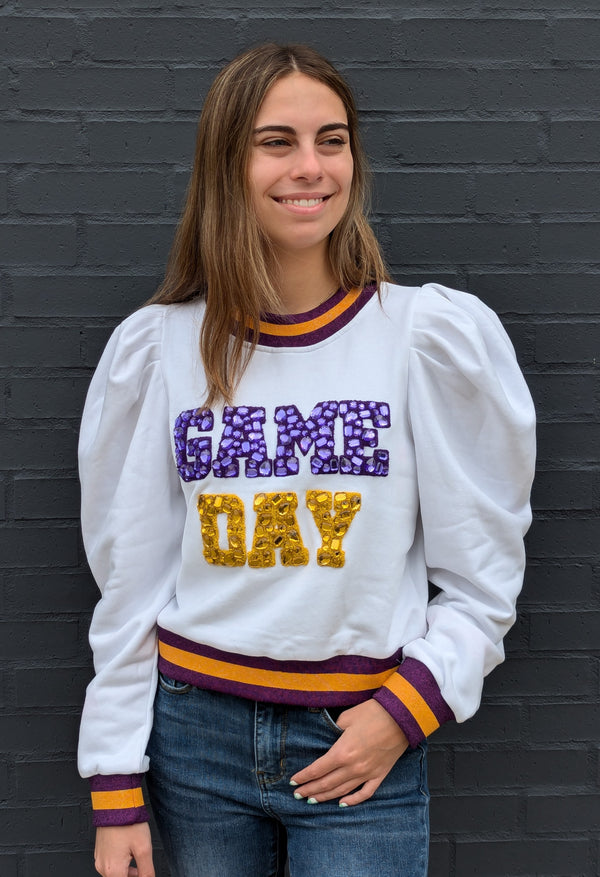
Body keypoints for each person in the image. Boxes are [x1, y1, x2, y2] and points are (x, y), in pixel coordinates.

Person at [78, 43, 536, 877]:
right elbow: (129, 583)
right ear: (228, 163)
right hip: (192, 742)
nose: (311, 167)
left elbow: (484, 573)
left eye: (332, 139)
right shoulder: (159, 350)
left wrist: (406, 710)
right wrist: (115, 780)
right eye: (276, 142)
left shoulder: (425, 338)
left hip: (361, 742)